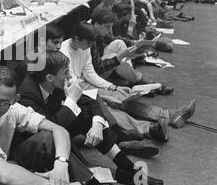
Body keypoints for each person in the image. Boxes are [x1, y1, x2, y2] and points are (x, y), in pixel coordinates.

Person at [18, 51, 164, 185]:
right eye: (65, 72)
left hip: (54, 130)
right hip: (32, 146)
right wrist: (71, 100)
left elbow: (90, 102)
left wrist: (97, 124)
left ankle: (126, 168)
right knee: (70, 116)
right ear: (50, 77)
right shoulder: (27, 94)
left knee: (87, 115)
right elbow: (49, 128)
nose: (70, 76)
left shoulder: (54, 82)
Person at [60, 22, 196, 131]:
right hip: (73, 91)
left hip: (82, 84)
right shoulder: (64, 52)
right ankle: (148, 127)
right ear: (77, 39)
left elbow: (90, 74)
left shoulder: (84, 46)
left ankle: (166, 115)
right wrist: (105, 94)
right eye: (88, 43)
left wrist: (113, 87)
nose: (90, 46)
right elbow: (73, 83)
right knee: (109, 105)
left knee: (119, 96)